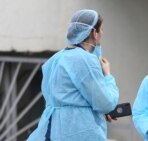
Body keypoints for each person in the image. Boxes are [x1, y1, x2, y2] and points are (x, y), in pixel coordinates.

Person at [27, 9, 119, 141]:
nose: (103, 33)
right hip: (79, 130)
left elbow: (62, 96)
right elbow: (105, 103)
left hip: (52, 130)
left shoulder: (56, 58)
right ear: (94, 32)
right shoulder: (86, 60)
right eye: (102, 29)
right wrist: (108, 75)